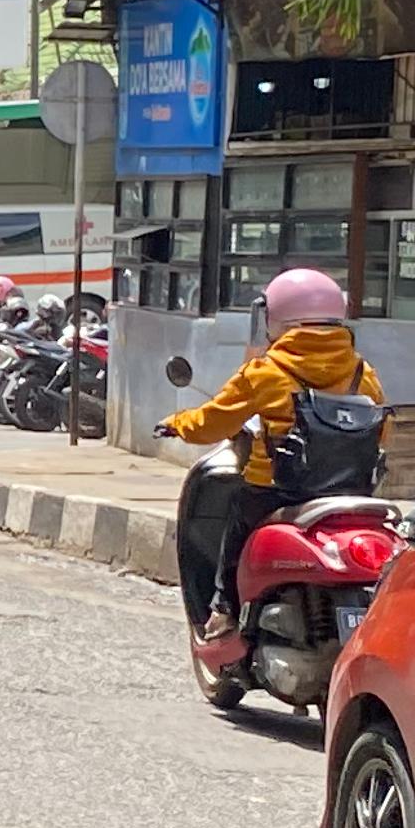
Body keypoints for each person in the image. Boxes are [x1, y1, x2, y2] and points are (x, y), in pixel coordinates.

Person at [164, 266, 383, 638]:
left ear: (277, 318)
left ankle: (224, 610)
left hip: (278, 490)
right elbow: (381, 429)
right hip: (351, 491)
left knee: (237, 524)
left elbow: (212, 423)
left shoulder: (264, 372)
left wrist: (178, 423)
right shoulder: (363, 372)